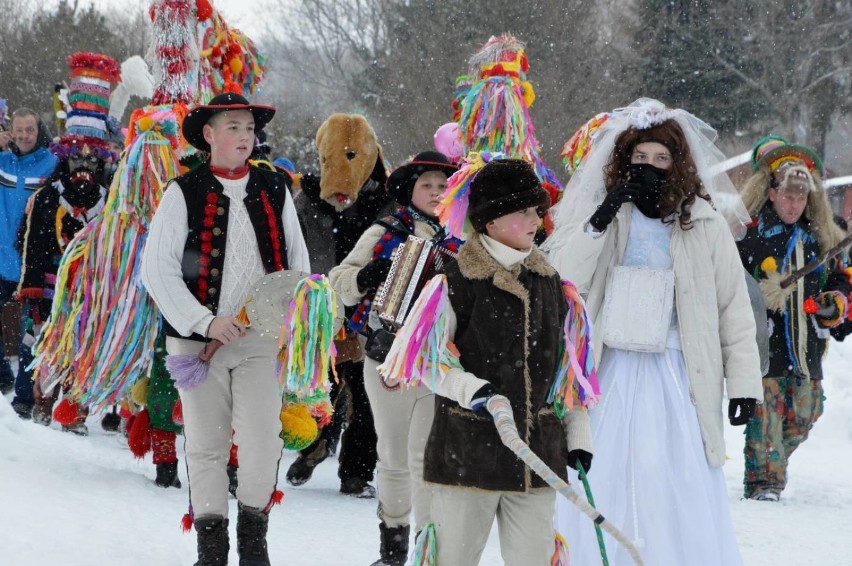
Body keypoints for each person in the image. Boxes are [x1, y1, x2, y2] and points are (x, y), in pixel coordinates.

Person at [544, 98, 762, 566]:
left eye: (661, 159)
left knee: (674, 475)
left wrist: (744, 383)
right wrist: (601, 219)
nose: (650, 167)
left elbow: (733, 308)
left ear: (677, 163)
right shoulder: (603, 215)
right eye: (640, 158)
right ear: (624, 161)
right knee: (606, 473)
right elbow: (562, 282)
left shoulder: (702, 222)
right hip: (611, 366)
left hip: (677, 369)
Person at [382, 157, 595, 566]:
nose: (535, 219)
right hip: (467, 455)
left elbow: (569, 376)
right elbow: (430, 362)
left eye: (537, 210)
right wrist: (472, 390)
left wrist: (578, 433)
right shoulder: (454, 281)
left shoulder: (554, 286)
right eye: (522, 211)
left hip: (537, 460)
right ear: (490, 220)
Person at [141, 92, 310, 566]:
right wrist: (205, 320)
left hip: (260, 340)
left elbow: (297, 262)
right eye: (232, 127)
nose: (243, 135)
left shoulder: (273, 188)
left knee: (262, 439)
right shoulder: (182, 191)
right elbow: (157, 270)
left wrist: (285, 319)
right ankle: (211, 550)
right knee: (206, 443)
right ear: (209, 136)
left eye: (248, 127)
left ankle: (254, 544)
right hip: (197, 346)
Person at [328, 151, 461, 565]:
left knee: (426, 456)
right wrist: (368, 277)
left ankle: (425, 545)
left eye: (443, 186)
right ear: (411, 191)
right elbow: (338, 282)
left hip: (440, 360)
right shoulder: (387, 230)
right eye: (428, 186)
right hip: (386, 356)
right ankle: (393, 545)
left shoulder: (465, 237)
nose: (437, 194)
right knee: (393, 454)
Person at [737, 136, 851, 502]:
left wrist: (835, 303)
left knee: (805, 414)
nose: (793, 204)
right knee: (764, 417)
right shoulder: (749, 234)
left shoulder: (824, 237)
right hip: (764, 346)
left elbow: (841, 280)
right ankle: (764, 483)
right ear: (771, 193)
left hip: (807, 347)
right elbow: (729, 283)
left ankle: (773, 465)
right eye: (787, 196)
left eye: (801, 198)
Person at [0, 108, 58, 395]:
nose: (24, 135)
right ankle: (2, 376)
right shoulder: (2, 161)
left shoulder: (52, 164)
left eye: (30, 130)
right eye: (19, 130)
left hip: (31, 266)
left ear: (39, 132)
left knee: (30, 334)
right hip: (1, 259)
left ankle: (25, 395)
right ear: (11, 131)